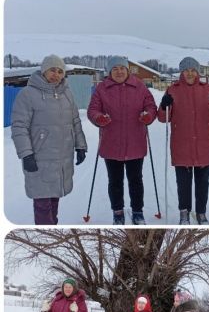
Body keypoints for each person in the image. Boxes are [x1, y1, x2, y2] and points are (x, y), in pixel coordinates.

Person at [10, 54, 87, 225]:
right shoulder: (28, 94)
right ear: (44, 70)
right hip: (39, 158)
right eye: (53, 70)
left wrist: (80, 146)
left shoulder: (67, 94)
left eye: (60, 71)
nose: (56, 74)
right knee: (42, 204)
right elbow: (19, 126)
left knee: (54, 198)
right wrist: (26, 154)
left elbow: (75, 121)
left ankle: (53, 226)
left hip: (62, 159)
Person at [87, 56, 157, 225]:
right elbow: (93, 110)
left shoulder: (139, 86)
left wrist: (148, 115)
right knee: (115, 180)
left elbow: (151, 106)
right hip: (111, 142)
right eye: (115, 69)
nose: (119, 71)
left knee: (136, 180)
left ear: (127, 70)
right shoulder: (102, 88)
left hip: (135, 142)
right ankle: (117, 212)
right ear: (109, 72)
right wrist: (99, 118)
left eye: (122, 68)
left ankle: (137, 211)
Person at [157, 57, 209, 224]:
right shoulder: (172, 90)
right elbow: (162, 118)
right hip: (181, 144)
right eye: (186, 70)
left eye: (193, 70)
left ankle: (201, 213)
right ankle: (184, 212)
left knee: (203, 183)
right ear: (181, 72)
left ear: (197, 72)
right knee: (183, 184)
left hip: (204, 144)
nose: (190, 73)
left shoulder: (207, 89)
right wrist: (164, 106)